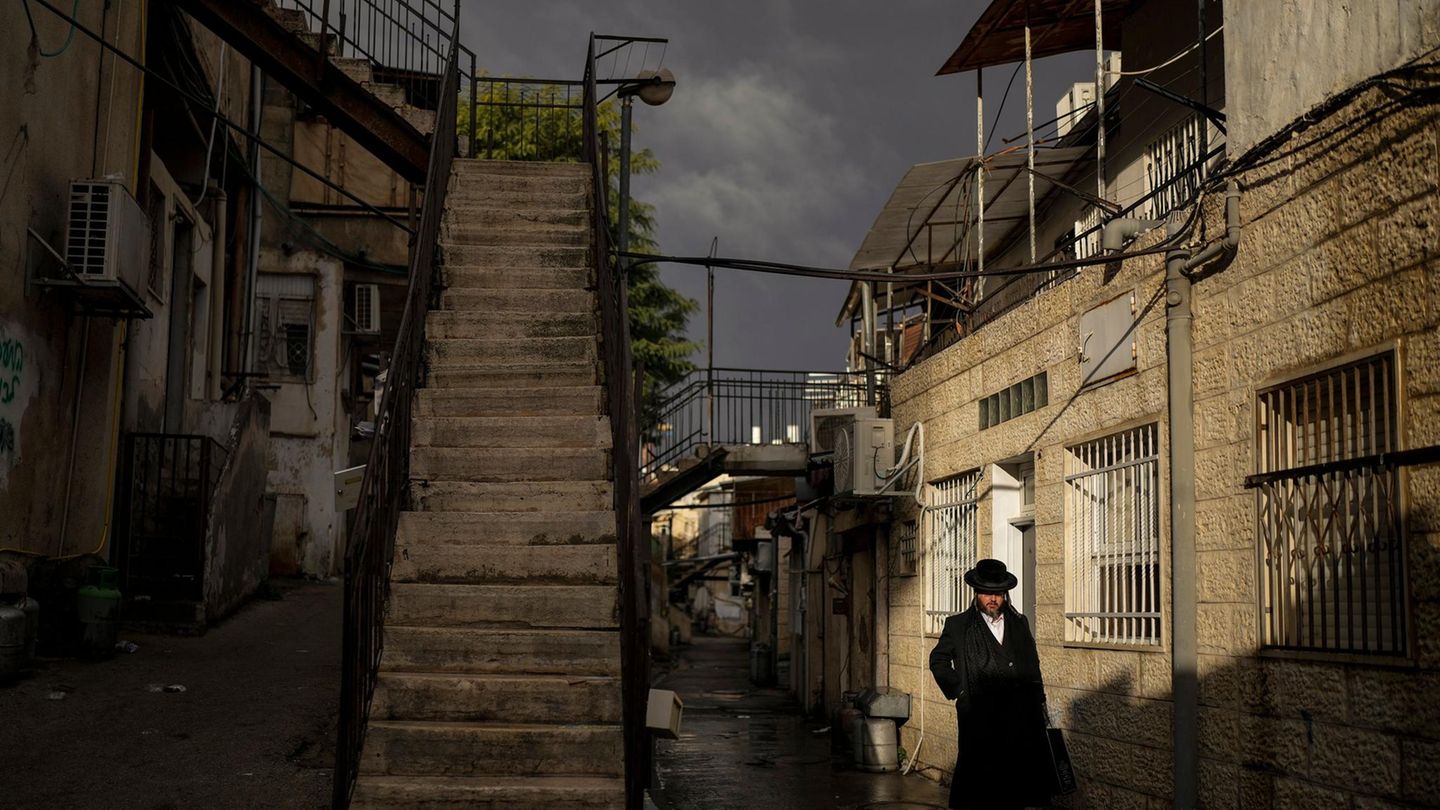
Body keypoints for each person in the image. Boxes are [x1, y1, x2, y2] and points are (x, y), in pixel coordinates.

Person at [928, 558, 1052, 809]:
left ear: (1005, 594)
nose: (993, 599)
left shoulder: (1019, 622)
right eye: (987, 593)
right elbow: (938, 660)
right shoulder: (958, 625)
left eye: (998, 593)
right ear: (976, 593)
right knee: (979, 782)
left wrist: (1039, 701)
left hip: (1018, 715)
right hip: (978, 716)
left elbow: (1032, 662)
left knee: (1016, 782)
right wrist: (959, 690)